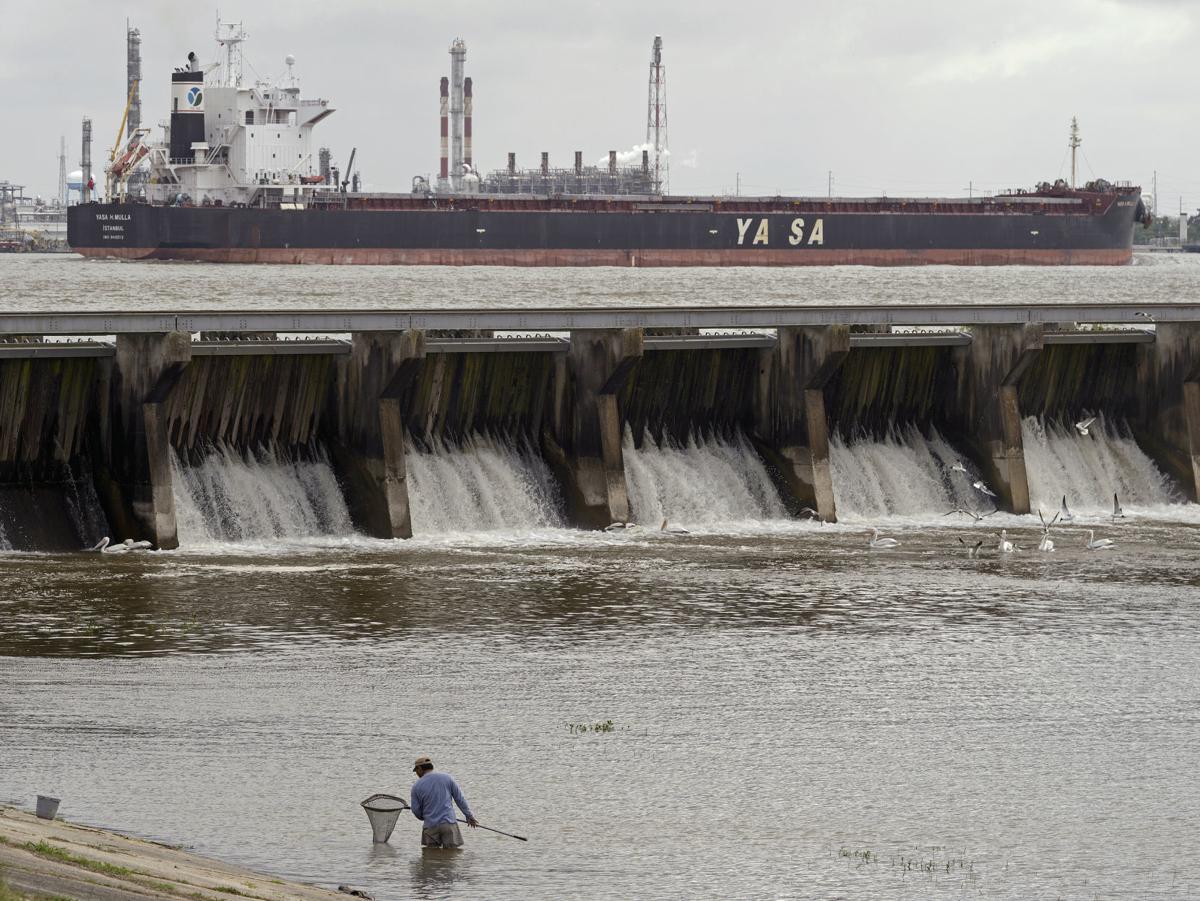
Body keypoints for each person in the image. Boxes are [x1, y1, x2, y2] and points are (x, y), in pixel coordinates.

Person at [409, 756, 478, 848]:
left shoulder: (416, 786)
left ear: (420, 768)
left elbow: (416, 810)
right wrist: (469, 816)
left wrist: (424, 817)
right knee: (451, 855)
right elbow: (459, 799)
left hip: (430, 826)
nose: (416, 773)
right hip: (448, 824)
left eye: (416, 770)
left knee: (431, 858)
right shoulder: (447, 778)